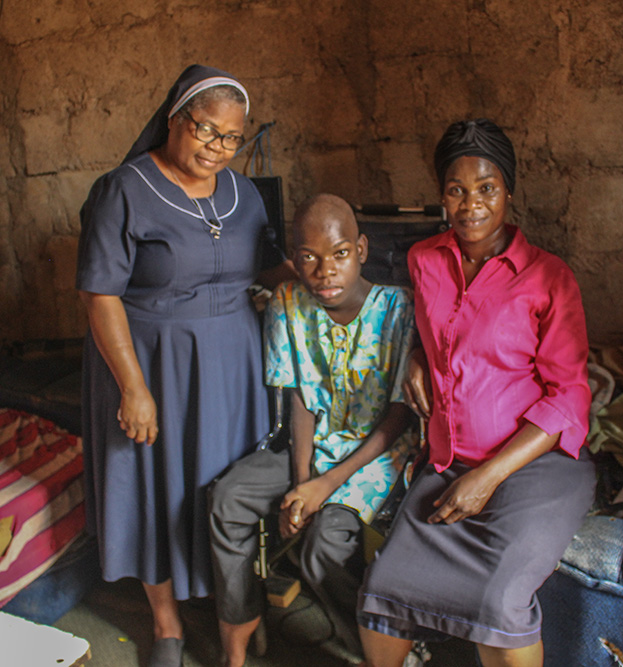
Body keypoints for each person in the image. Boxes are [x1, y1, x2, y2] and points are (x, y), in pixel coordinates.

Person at [356, 119, 596, 667]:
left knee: (499, 600)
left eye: (486, 188)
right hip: (450, 461)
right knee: (383, 592)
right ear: (441, 195)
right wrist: (419, 355)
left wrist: (486, 478)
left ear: (508, 191)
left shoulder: (548, 277)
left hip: (535, 467)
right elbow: (446, 330)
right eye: (456, 190)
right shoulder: (426, 260)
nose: (471, 204)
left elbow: (568, 396)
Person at [76, 64, 292, 667]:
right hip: (151, 363)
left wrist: (334, 291)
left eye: (231, 138)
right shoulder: (125, 189)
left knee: (222, 490)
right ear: (175, 119)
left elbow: (270, 266)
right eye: (206, 131)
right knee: (155, 488)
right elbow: (100, 294)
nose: (218, 148)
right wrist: (133, 387)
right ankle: (167, 623)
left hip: (231, 370)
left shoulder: (242, 193)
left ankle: (230, 610)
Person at [209, 194, 417, 667]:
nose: (325, 272)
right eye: (309, 258)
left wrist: (321, 488)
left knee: (323, 546)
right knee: (228, 497)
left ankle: (383, 650)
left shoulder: (397, 309)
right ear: (294, 259)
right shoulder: (287, 302)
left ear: (361, 249)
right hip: (308, 447)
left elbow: (398, 417)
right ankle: (241, 626)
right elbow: (299, 398)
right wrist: (303, 482)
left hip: (375, 453)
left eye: (339, 254)